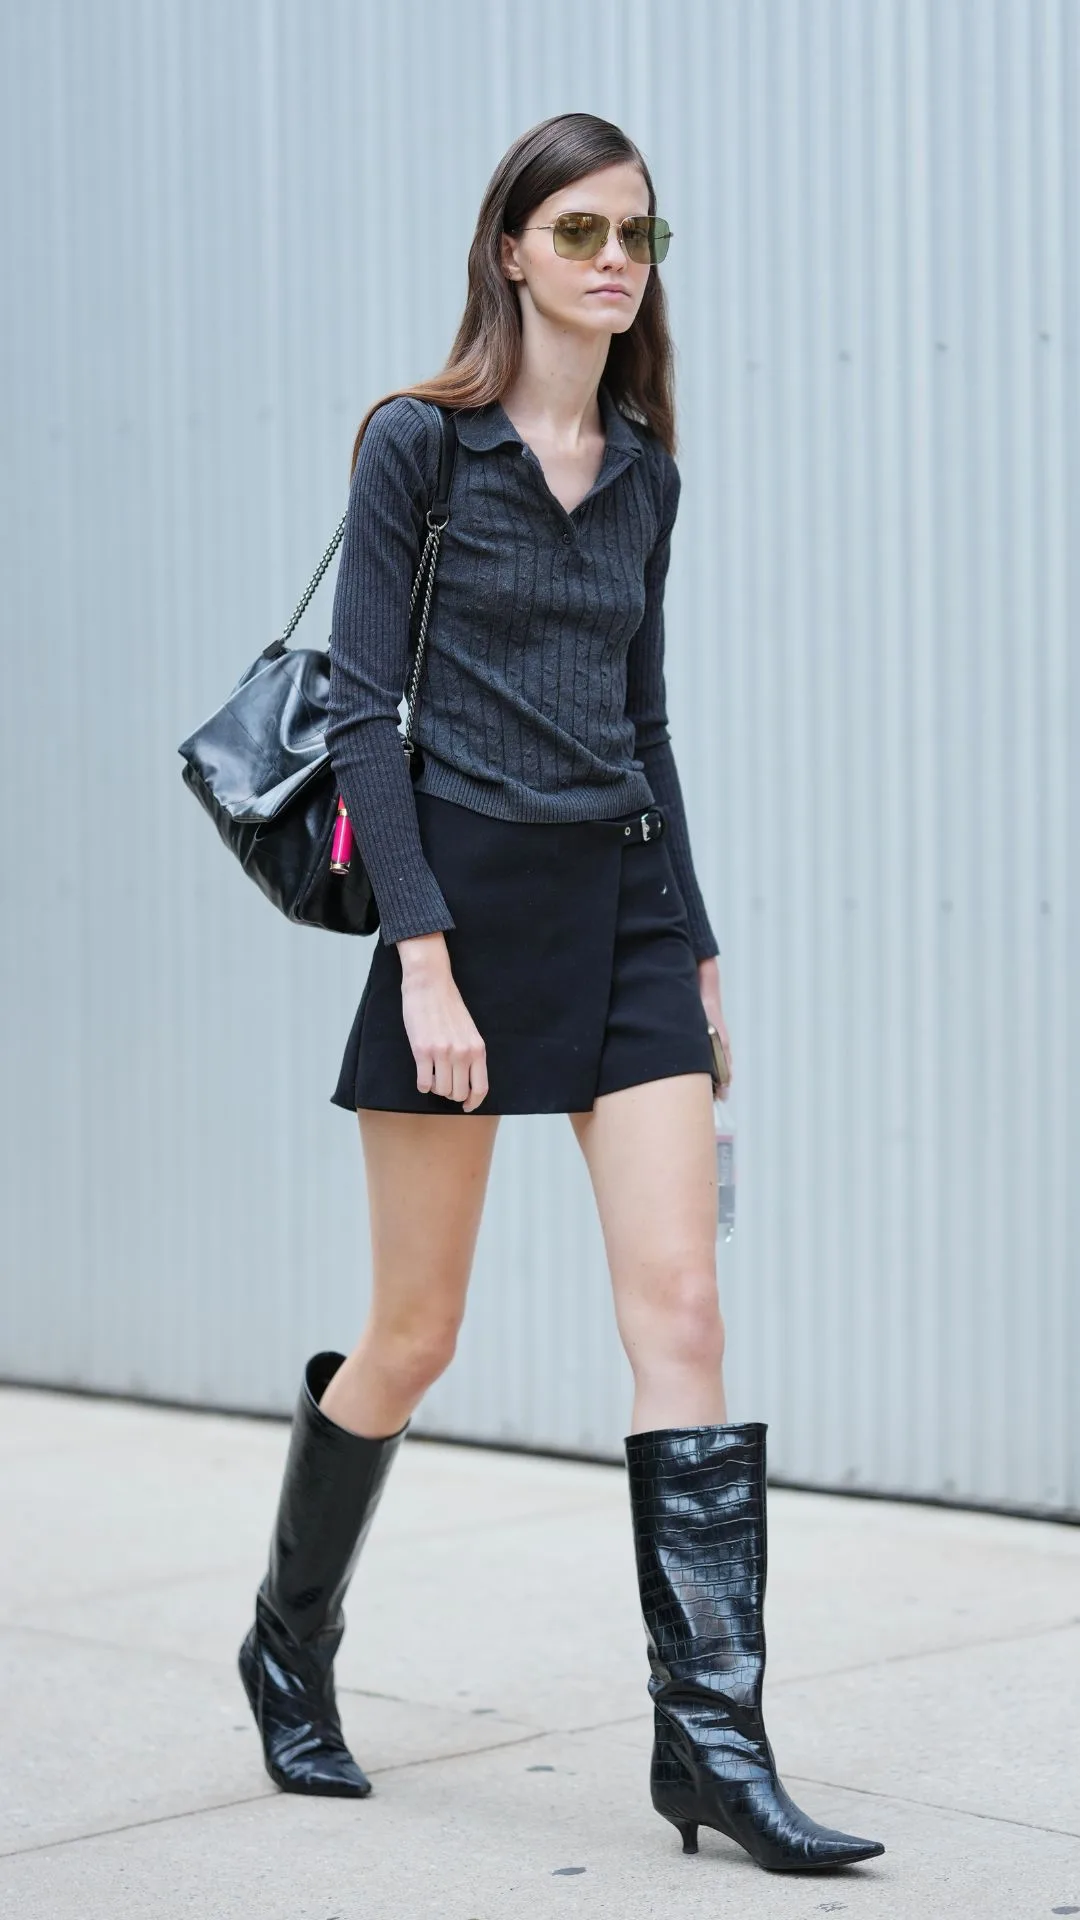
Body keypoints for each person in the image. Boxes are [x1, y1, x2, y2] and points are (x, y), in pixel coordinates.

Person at [237, 111, 885, 1877]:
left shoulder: (650, 470)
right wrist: (424, 959)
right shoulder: (416, 449)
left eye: (642, 239)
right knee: (416, 1337)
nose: (616, 261)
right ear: (511, 248)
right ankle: (288, 1644)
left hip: (622, 912)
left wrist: (698, 933)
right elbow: (363, 713)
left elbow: (647, 718)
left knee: (683, 1308)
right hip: (460, 911)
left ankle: (715, 1750)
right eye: (583, 230)